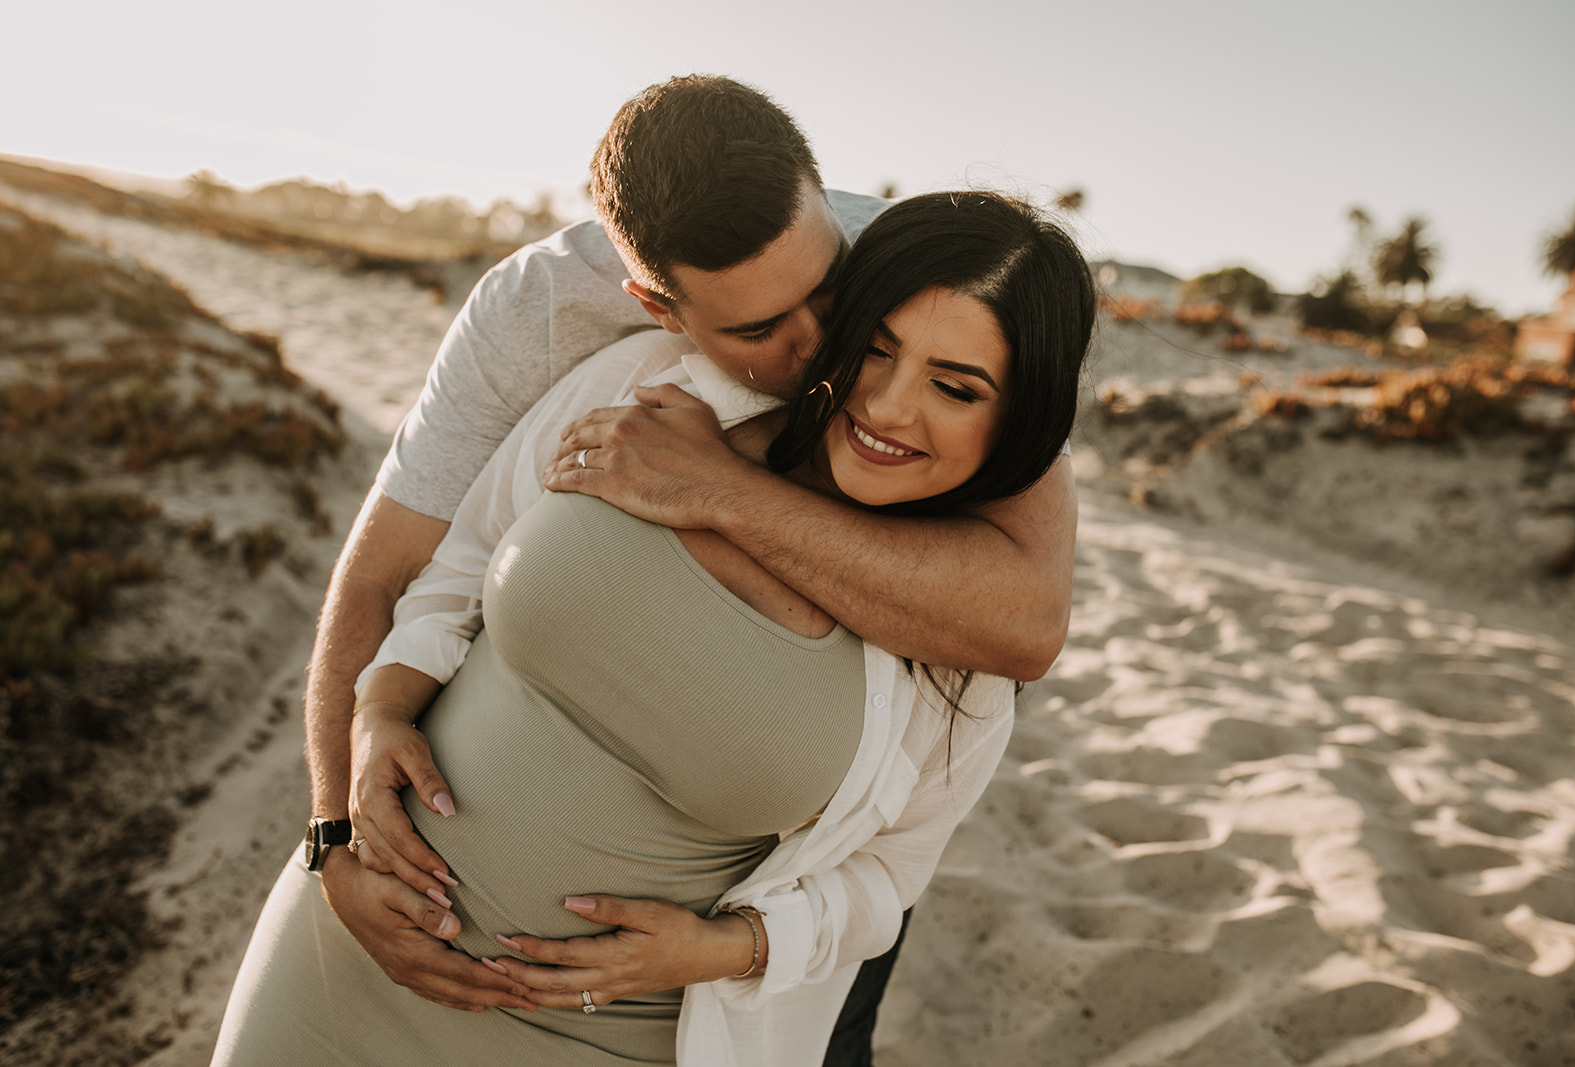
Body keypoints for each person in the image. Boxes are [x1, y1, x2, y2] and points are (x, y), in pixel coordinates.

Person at [212, 188, 1096, 1066]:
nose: (891, 407)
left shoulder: (958, 649)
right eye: (873, 349)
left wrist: (722, 950)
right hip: (341, 960)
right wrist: (369, 736)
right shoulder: (630, 374)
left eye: (952, 387)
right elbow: (442, 569)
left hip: (605, 1035)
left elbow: (887, 877)